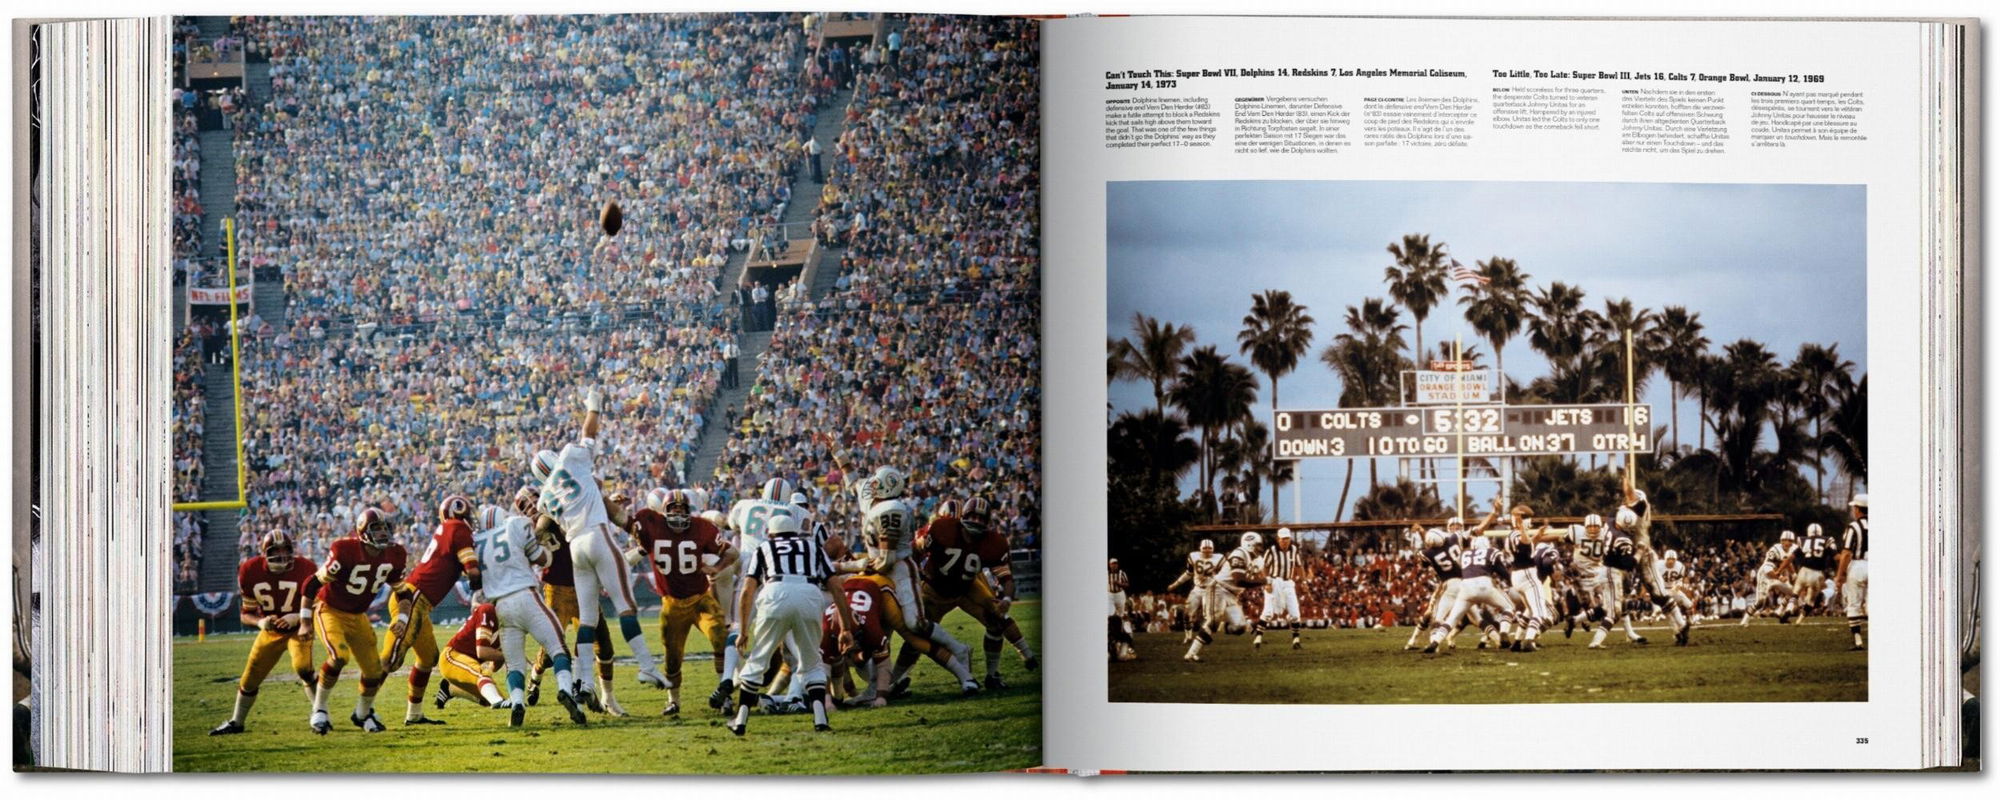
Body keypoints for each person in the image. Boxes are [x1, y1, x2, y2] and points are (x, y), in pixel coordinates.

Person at [529, 388, 664, 710]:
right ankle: (647, 665)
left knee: (588, 621)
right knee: (625, 605)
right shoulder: (571, 461)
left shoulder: (545, 499)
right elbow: (588, 434)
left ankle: (584, 681)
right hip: (595, 537)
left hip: (576, 551)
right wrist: (594, 406)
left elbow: (543, 527)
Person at [725, 513, 850, 735]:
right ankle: (820, 719)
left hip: (775, 593)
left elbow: (747, 591)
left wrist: (743, 630)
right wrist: (846, 627)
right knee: (812, 660)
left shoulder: (764, 548)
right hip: (809, 595)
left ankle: (741, 719)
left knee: (758, 659)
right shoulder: (813, 547)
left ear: (770, 534)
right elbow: (837, 587)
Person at [474, 503, 585, 726]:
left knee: (514, 665)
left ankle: (517, 702)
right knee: (558, 648)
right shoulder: (515, 524)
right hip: (526, 596)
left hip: (501, 606)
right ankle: (565, 689)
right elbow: (542, 559)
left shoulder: (477, 543)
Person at [627, 488, 736, 715]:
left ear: (689, 511)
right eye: (673, 509)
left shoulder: (702, 527)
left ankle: (725, 697)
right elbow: (632, 540)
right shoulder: (653, 527)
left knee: (720, 637)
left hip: (701, 599)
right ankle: (673, 701)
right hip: (672, 603)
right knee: (672, 656)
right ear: (663, 512)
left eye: (682, 509)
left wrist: (716, 568)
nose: (677, 514)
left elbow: (733, 552)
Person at [380, 494, 483, 726]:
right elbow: (472, 572)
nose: (469, 517)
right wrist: (486, 584)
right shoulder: (458, 527)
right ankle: (363, 710)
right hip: (413, 598)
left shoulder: (448, 527)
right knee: (392, 659)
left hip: (419, 600)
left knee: (428, 658)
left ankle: (414, 715)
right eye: (466, 512)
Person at [308, 508, 408, 734]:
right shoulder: (345, 550)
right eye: (376, 528)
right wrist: (306, 620)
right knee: (339, 656)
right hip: (330, 610)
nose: (383, 533)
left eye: (385, 528)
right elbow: (312, 584)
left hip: (358, 615)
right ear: (363, 531)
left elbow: (403, 592)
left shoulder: (395, 554)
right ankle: (319, 710)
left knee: (374, 671)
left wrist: (401, 617)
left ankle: (362, 714)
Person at [210, 530, 319, 735]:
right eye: (274, 551)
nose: (280, 556)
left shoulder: (306, 568)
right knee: (250, 678)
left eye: (285, 550)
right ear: (264, 552)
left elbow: (320, 605)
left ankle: (320, 713)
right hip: (271, 631)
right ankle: (237, 722)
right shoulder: (250, 570)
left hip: (299, 628)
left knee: (303, 668)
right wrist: (261, 622)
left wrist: (296, 617)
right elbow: (246, 614)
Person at [1257, 528, 1304, 650]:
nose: (1285, 541)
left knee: (1295, 612)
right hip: (1274, 581)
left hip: (1288, 582)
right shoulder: (1271, 551)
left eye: (1287, 538)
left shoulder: (1294, 550)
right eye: (1283, 539)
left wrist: (1303, 581)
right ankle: (1258, 638)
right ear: (1278, 539)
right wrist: (1267, 582)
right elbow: (1264, 567)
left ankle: (1296, 640)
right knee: (1268, 612)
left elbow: (1299, 566)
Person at [1836, 494, 1870, 649]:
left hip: (1858, 566)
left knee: (1854, 603)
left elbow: (1847, 553)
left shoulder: (1854, 527)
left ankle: (1858, 641)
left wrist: (1840, 575)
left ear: (1857, 509)